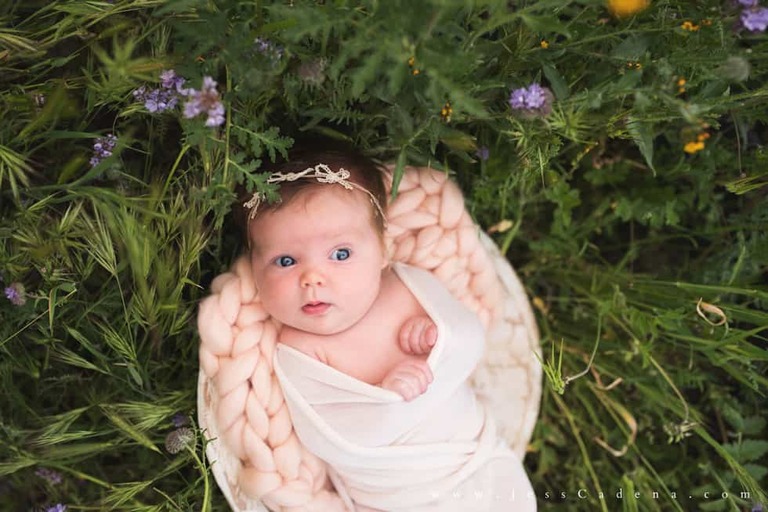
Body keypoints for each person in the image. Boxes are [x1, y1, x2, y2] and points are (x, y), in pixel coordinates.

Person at [237, 142, 537, 511]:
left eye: (341, 254)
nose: (312, 278)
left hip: (472, 457)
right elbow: (329, 432)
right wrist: (385, 398)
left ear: (383, 250)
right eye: (285, 261)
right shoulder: (297, 347)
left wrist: (435, 337)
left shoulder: (405, 286)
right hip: (397, 494)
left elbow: (468, 334)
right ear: (254, 268)